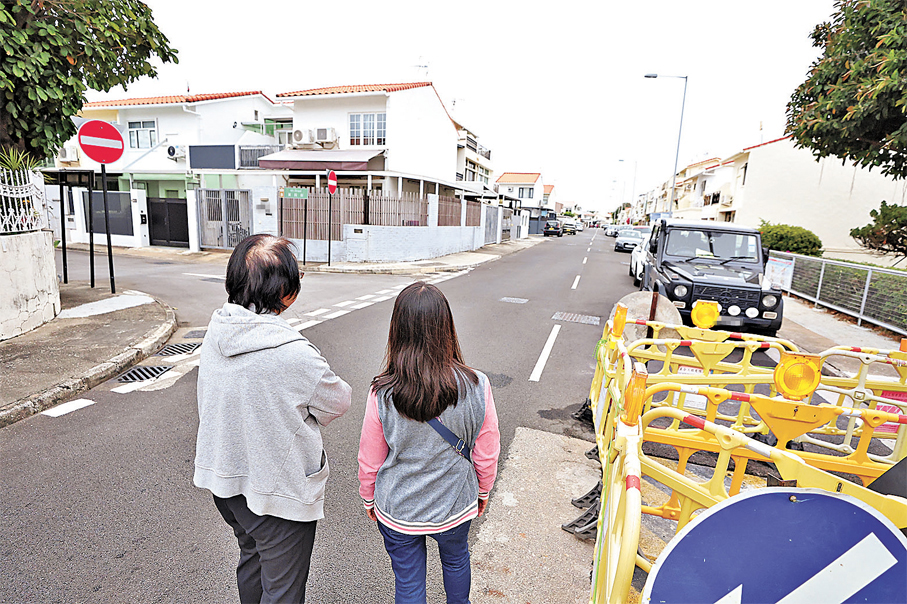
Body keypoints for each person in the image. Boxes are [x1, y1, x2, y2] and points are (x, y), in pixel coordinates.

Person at [194, 234, 351, 604]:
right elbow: (338, 401)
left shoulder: (218, 329)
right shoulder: (294, 354)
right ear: (286, 293)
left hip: (226, 481)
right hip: (276, 493)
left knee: (252, 558)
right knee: (282, 590)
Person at [358, 281, 501, 604]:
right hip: (454, 504)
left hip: (399, 508)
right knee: (456, 560)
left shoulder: (382, 393)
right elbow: (487, 451)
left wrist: (369, 498)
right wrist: (481, 492)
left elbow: (370, 459)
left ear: (398, 330)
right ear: (446, 328)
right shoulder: (477, 385)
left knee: (409, 583)